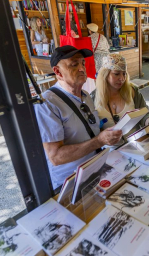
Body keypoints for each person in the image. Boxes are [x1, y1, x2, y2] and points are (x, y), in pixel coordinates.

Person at [34, 46, 123, 189]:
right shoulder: (47, 104)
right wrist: (99, 140)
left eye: (83, 63)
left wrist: (108, 134)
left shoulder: (86, 96)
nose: (82, 68)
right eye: (74, 64)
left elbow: (90, 131)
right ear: (58, 72)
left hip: (95, 170)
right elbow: (56, 156)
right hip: (71, 182)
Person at [91, 53, 149, 133]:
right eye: (116, 74)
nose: (122, 78)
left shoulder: (132, 91)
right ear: (105, 74)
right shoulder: (93, 97)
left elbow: (144, 113)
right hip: (108, 145)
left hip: (134, 142)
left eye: (124, 73)